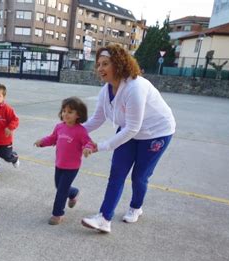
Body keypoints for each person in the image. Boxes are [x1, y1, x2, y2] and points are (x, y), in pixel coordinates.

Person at [81, 45, 176, 233]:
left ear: (119, 64)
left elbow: (134, 127)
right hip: (130, 130)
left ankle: (135, 207)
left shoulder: (135, 87)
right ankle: (104, 218)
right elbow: (97, 119)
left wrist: (102, 145)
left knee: (139, 176)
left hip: (156, 133)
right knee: (117, 173)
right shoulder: (105, 90)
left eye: (105, 64)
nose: (100, 68)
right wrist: (70, 131)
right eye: (98, 64)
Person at [34, 97, 94, 225]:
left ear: (78, 115)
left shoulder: (80, 131)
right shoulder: (59, 127)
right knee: (59, 186)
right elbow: (52, 138)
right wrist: (42, 142)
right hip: (59, 164)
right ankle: (74, 193)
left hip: (72, 167)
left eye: (70, 112)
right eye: (64, 111)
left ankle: (57, 214)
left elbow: (88, 142)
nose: (65, 114)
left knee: (61, 191)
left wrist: (87, 148)